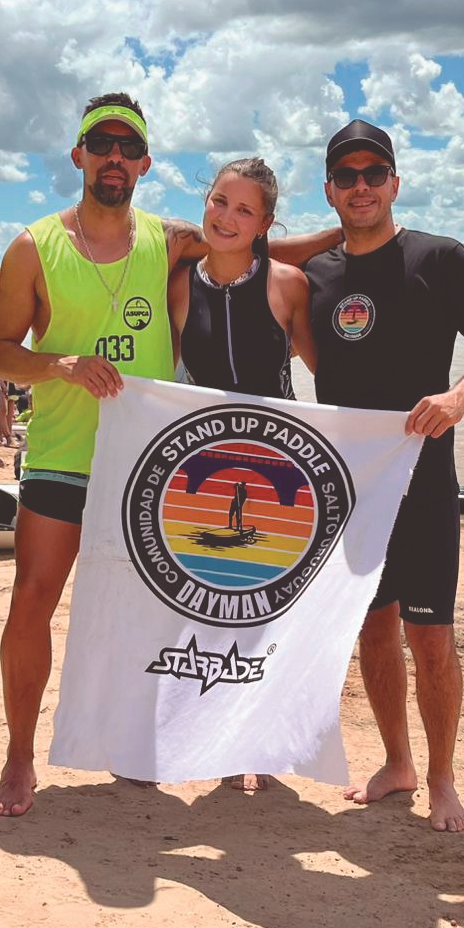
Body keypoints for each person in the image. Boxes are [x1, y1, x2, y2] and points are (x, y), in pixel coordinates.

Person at [0, 93, 339, 817]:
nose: (113, 157)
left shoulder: (169, 241)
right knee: (32, 604)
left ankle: (135, 747)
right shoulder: (34, 246)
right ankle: (19, 758)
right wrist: (60, 366)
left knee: (147, 619)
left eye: (127, 147)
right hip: (62, 457)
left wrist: (361, 231)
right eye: (100, 144)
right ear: (78, 155)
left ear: (143, 164)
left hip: (151, 469)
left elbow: (254, 248)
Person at [303, 120, 464, 833]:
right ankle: (397, 763)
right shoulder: (317, 276)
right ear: (328, 189)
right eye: (346, 176)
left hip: (424, 484)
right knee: (374, 627)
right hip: (354, 491)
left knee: (432, 638)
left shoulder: (440, 258)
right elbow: (238, 256)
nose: (361, 187)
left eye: (373, 173)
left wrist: (458, 398)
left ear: (395, 182)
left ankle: (443, 778)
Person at [166, 155, 318, 793]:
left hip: (278, 472)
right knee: (212, 608)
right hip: (204, 467)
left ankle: (266, 742)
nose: (228, 217)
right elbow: (164, 379)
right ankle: (221, 742)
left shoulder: (287, 284)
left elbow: (327, 373)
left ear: (266, 223)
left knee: (273, 615)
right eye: (220, 202)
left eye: (245, 210)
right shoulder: (176, 283)